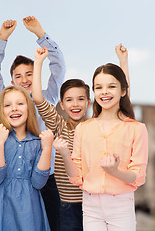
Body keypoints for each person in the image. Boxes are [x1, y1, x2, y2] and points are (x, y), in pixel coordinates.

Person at [33, 45, 129, 230]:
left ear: (88, 102)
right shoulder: (59, 126)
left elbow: (121, 101)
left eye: (80, 99)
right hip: (66, 205)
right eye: (69, 100)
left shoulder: (98, 126)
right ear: (61, 104)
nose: (75, 104)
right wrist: (38, 62)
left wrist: (123, 62)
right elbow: (38, 98)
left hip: (95, 203)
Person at [0, 16, 65, 230]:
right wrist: (2, 38)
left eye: (30, 74)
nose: (25, 80)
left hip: (45, 177)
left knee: (53, 224)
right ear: (12, 82)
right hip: (13, 177)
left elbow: (58, 67)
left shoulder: (47, 98)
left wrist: (41, 34)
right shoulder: (8, 102)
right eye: (18, 76)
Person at [59, 61, 148, 231]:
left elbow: (137, 176)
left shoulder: (137, 129)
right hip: (90, 204)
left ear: (123, 91)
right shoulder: (83, 129)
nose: (104, 92)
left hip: (121, 204)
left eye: (111, 86)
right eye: (98, 87)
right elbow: (76, 177)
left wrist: (115, 171)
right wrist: (64, 153)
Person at [0, 86, 54, 231]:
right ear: (1, 110)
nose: (14, 108)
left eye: (20, 103)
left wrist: (47, 149)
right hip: (0, 208)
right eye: (7, 105)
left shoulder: (37, 142)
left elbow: (38, 183)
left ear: (29, 108)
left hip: (29, 211)